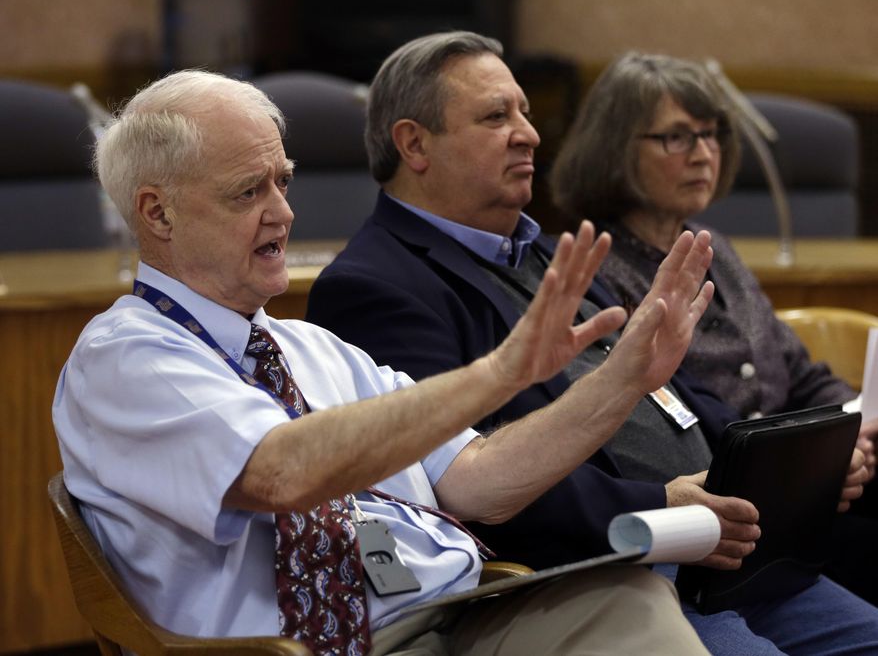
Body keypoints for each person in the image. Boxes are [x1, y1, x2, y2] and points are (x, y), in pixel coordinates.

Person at [51, 69, 720, 656]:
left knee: (625, 601)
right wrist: (500, 373)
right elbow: (282, 471)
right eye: (247, 192)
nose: (283, 212)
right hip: (299, 647)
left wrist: (622, 379)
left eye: (282, 181)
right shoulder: (123, 358)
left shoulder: (312, 349)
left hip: (449, 613)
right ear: (157, 213)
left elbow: (480, 480)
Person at [305, 31, 878, 654]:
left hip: (722, 550)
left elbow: (673, 399)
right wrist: (660, 504)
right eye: (497, 116)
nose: (528, 134)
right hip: (611, 570)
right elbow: (464, 483)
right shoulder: (374, 285)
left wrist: (783, 467)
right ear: (415, 144)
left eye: (524, 112)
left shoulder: (552, 254)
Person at [549, 50, 878, 602]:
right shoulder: (594, 268)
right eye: (677, 137)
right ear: (615, 147)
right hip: (727, 511)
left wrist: (852, 431)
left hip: (804, 484)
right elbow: (647, 429)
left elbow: (800, 371)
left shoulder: (716, 248)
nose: (704, 153)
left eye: (711, 134)